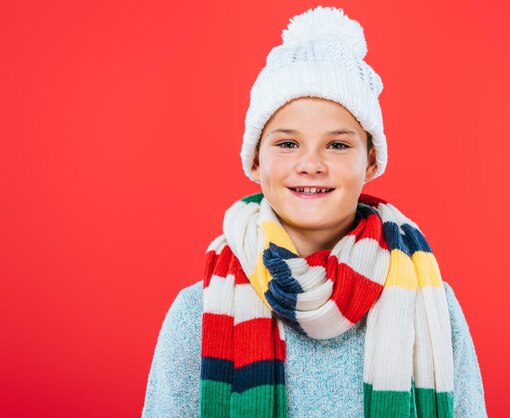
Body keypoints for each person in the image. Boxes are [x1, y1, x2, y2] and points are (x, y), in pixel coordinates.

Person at [142, 5, 487, 418]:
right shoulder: (196, 313)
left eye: (337, 145)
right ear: (254, 161)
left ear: (371, 162)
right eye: (287, 144)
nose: (311, 164)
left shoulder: (431, 304)